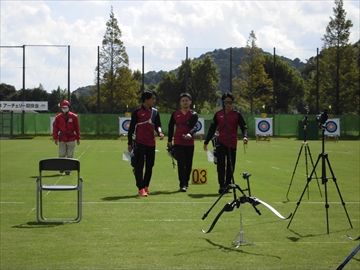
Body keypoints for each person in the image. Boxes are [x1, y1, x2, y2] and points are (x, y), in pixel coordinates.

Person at [203, 92, 248, 194]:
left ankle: (228, 184)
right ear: (223, 102)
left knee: (231, 165)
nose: (228, 104)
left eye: (230, 102)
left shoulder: (237, 115)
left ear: (232, 103)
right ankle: (221, 185)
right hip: (221, 143)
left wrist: (245, 136)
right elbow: (212, 129)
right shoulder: (218, 115)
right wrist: (206, 142)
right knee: (221, 165)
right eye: (226, 102)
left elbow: (244, 126)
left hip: (232, 143)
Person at [127, 90, 164, 197]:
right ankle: (140, 188)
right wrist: (130, 143)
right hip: (139, 142)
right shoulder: (137, 112)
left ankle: (146, 186)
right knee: (139, 166)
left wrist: (160, 132)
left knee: (150, 165)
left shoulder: (155, 112)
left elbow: (158, 125)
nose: (154, 101)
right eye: (152, 98)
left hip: (151, 143)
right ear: (146, 100)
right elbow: (131, 128)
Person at [168, 93, 198, 192]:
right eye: (183, 101)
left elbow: (195, 126)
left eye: (187, 100)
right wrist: (169, 141)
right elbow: (170, 127)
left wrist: (190, 134)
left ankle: (186, 181)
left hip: (190, 142)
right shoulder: (175, 114)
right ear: (180, 103)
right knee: (181, 163)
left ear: (190, 102)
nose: (185, 102)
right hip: (178, 141)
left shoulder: (194, 114)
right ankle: (182, 184)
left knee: (189, 163)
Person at [52, 100, 81, 175]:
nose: (64, 108)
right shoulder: (58, 117)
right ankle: (62, 166)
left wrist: (78, 138)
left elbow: (77, 128)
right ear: (61, 108)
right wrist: (55, 137)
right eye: (63, 107)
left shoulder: (74, 117)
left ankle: (68, 169)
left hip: (71, 138)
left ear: (69, 107)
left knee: (70, 154)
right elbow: (55, 128)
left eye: (66, 107)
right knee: (62, 154)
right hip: (62, 138)